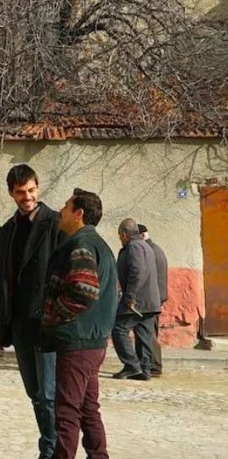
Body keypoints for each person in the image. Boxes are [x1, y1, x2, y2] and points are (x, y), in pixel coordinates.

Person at [0, 164, 60, 459]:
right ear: (11, 193)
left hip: (47, 322)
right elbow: (2, 281)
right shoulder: (8, 230)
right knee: (34, 393)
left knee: (49, 393)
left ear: (38, 188)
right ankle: (49, 444)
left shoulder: (55, 223)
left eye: (31, 190)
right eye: (20, 192)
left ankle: (52, 450)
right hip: (19, 324)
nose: (27, 197)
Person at [41, 188, 117, 459]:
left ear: (79, 213)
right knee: (88, 409)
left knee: (67, 412)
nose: (61, 211)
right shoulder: (99, 244)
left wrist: (57, 313)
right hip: (93, 341)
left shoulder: (81, 244)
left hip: (78, 341)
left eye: (66, 206)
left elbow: (84, 290)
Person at [112, 218, 161, 381]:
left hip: (138, 301)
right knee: (144, 334)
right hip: (149, 300)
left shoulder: (133, 247)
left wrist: (130, 296)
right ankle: (145, 369)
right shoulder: (145, 246)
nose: (120, 239)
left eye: (120, 235)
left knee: (119, 329)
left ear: (125, 234)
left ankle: (132, 365)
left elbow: (137, 271)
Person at [139, 223, 168, 377]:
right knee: (148, 332)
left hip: (151, 298)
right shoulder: (155, 248)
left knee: (148, 333)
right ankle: (149, 364)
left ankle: (154, 366)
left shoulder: (148, 250)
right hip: (156, 297)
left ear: (142, 235)